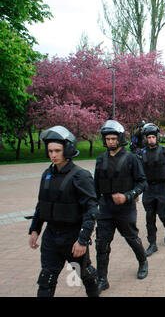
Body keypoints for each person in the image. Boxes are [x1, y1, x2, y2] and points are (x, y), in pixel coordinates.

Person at [28, 126, 100, 297]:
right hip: (51, 237)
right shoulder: (47, 174)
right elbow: (42, 204)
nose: (53, 155)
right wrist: (35, 229)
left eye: (57, 150)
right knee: (46, 279)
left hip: (72, 237)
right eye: (50, 151)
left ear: (68, 149)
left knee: (85, 275)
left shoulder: (80, 176)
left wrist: (82, 240)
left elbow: (91, 210)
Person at [94, 120, 149, 295]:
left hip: (126, 208)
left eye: (113, 138)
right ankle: (102, 279)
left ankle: (143, 262)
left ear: (120, 138)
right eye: (107, 138)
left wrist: (127, 196)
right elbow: (96, 186)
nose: (110, 141)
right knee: (101, 244)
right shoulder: (100, 159)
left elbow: (142, 183)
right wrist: (92, 207)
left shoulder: (131, 158)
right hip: (105, 208)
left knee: (132, 238)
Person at [139, 123, 165, 256]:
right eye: (148, 137)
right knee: (149, 217)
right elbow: (137, 174)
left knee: (163, 214)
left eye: (153, 137)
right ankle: (152, 243)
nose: (151, 140)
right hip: (148, 188)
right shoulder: (141, 153)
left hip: (162, 187)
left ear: (157, 137)